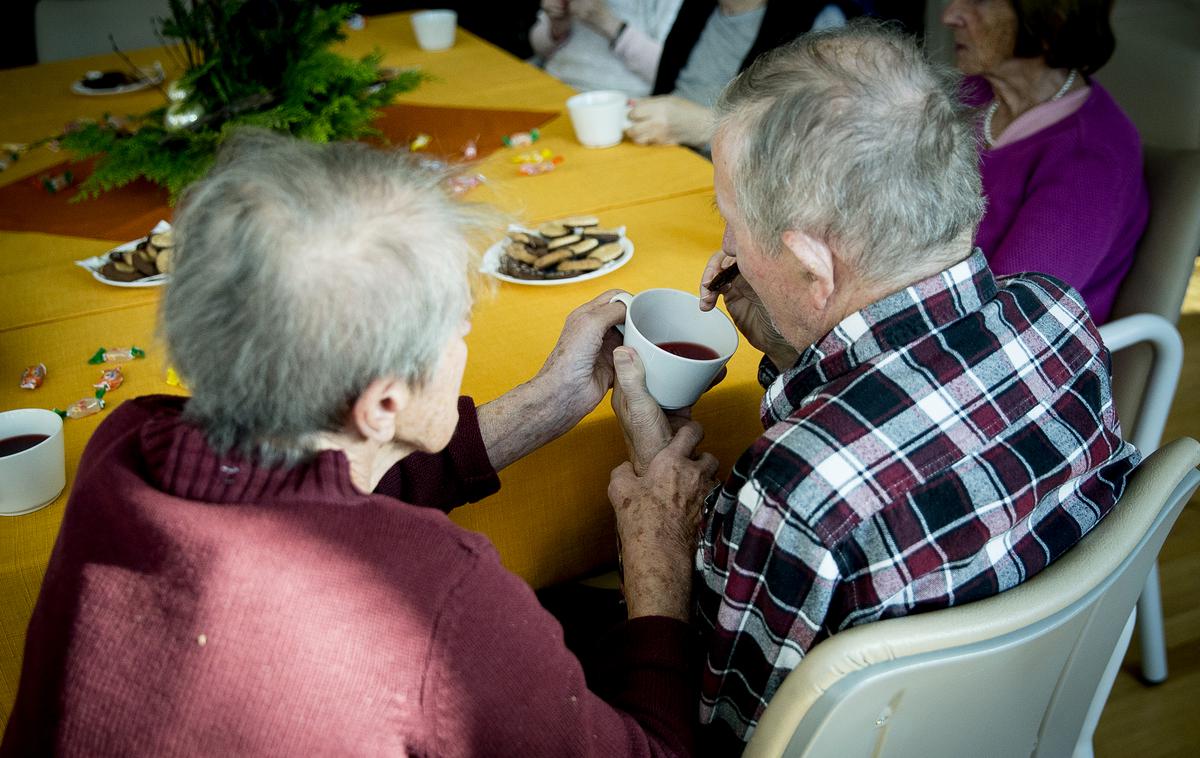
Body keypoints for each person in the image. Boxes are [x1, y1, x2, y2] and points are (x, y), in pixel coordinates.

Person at [0, 131, 719, 757]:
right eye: (457, 330)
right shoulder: (434, 599)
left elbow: (318, 485)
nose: (464, 345)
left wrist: (546, 403)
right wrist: (658, 563)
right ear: (382, 404)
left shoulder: (129, 440)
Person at [608, 21, 1140, 754]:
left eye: (731, 224)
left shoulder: (796, 493)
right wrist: (787, 335)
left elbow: (707, 733)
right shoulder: (1059, 314)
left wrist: (659, 555)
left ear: (812, 265)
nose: (726, 251)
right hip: (1013, 723)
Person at [942, 0, 1148, 323]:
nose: (950, 15)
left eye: (978, 0)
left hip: (1008, 353)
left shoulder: (1092, 159)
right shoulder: (971, 93)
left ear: (1049, 20)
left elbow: (1012, 318)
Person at [627, 0, 854, 146]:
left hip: (740, 187)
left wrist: (707, 127)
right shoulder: (696, 8)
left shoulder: (820, 22)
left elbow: (815, 138)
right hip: (664, 150)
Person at [530, 0, 686, 98]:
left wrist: (606, 23)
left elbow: (672, 73)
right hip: (554, 86)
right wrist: (557, 25)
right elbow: (540, 50)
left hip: (621, 102)